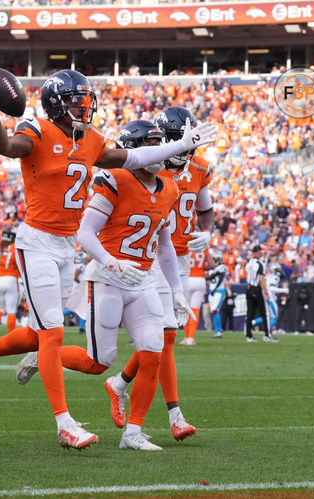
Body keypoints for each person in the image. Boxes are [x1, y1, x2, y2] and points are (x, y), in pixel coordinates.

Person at [0, 69, 216, 450]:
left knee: (37, 334)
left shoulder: (92, 140)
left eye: (85, 98)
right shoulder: (39, 130)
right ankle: (65, 423)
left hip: (66, 247)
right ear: (56, 102)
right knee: (52, 334)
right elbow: (6, 148)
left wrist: (178, 147)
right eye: (76, 98)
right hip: (37, 241)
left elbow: (139, 155)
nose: (84, 105)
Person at [21, 119, 193, 450]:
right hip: (109, 279)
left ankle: (133, 433)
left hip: (142, 279)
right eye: (150, 143)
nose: (158, 150)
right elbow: (85, 233)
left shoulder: (169, 187)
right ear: (132, 150)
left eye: (160, 143)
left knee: (153, 350)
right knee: (98, 362)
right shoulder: (114, 178)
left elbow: (166, 245)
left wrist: (176, 290)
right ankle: (48, 355)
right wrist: (113, 262)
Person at [113, 106, 216, 441]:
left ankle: (119, 383)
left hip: (179, 260)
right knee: (168, 335)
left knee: (157, 339)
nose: (186, 153)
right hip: (150, 257)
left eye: (190, 147)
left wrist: (207, 233)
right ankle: (175, 415)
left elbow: (206, 209)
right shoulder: (148, 168)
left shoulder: (199, 168)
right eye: (180, 145)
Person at [245, 244, 275, 342]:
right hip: (257, 289)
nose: (262, 253)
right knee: (265, 313)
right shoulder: (260, 263)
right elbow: (261, 279)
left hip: (249, 289)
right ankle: (267, 335)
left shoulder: (248, 263)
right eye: (261, 251)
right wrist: (266, 292)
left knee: (250, 313)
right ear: (258, 252)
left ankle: (249, 336)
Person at [181, 250, 209, 346]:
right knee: (195, 309)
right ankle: (190, 338)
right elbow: (212, 264)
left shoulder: (186, 246)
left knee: (186, 309)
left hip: (187, 278)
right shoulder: (203, 247)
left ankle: (187, 337)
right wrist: (202, 267)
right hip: (200, 279)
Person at [206, 250, 228, 339]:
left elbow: (220, 277)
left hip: (219, 291)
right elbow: (208, 277)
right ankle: (217, 331)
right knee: (213, 311)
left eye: (214, 259)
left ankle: (219, 331)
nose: (213, 260)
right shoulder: (212, 269)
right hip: (212, 291)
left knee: (215, 309)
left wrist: (215, 288)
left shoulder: (222, 267)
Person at [266, 262, 289, 335]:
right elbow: (271, 288)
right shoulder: (275, 277)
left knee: (267, 316)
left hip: (266, 297)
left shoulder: (267, 276)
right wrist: (284, 290)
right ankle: (268, 333)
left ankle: (251, 323)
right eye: (277, 270)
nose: (279, 271)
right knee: (274, 317)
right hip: (271, 298)